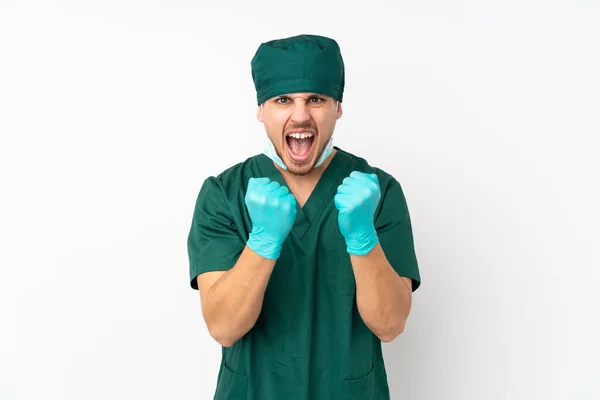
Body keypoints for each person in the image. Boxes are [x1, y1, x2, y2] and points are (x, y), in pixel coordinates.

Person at [187, 34, 421, 400]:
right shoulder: (224, 194)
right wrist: (262, 243)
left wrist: (363, 238)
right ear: (261, 109)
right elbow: (223, 327)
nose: (300, 115)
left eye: (315, 99)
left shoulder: (379, 193)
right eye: (283, 100)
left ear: (338, 107)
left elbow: (390, 325)